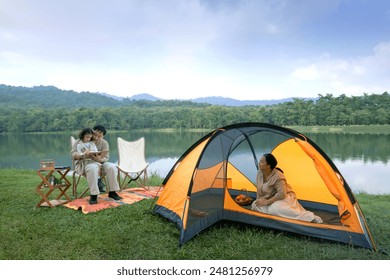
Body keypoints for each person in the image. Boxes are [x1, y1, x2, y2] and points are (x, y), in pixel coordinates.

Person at [251, 153, 323, 223]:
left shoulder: (278, 176)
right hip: (269, 198)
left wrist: (266, 202)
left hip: (283, 198)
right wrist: (259, 200)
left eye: (262, 162)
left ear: (268, 165)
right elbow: (259, 189)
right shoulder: (259, 173)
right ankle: (273, 215)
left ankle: (309, 217)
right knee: (255, 204)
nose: (259, 163)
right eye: (260, 161)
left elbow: (281, 194)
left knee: (274, 209)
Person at [71, 126, 122, 205]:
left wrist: (100, 159)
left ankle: (112, 192)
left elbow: (106, 157)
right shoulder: (79, 141)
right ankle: (94, 195)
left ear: (103, 136)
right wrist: (82, 155)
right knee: (92, 168)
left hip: (100, 163)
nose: (96, 137)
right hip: (86, 164)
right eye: (95, 135)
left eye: (100, 136)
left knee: (111, 166)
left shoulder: (104, 143)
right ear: (92, 132)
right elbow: (73, 155)